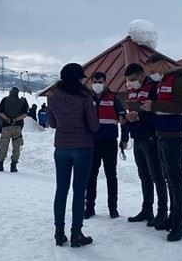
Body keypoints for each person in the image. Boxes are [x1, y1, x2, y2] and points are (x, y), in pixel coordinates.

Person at [48, 63, 99, 247]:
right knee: (79, 191)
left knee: (61, 190)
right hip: (83, 147)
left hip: (61, 147)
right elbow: (94, 126)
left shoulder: (53, 98)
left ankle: (58, 232)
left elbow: (52, 124)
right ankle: (76, 233)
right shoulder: (85, 97)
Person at [140, 52, 182, 241]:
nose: (151, 74)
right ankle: (172, 216)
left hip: (174, 136)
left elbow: (180, 106)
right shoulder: (163, 81)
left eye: (153, 70)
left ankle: (180, 223)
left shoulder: (179, 79)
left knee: (176, 179)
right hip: (161, 134)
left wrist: (153, 105)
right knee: (168, 178)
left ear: (161, 65)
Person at [124, 63, 168, 228]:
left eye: (133, 79)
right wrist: (129, 118)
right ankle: (146, 209)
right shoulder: (134, 91)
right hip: (138, 137)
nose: (131, 83)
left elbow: (156, 112)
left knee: (157, 176)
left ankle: (162, 212)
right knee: (144, 176)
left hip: (151, 137)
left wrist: (140, 116)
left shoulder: (153, 87)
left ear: (142, 75)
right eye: (129, 80)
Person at [84, 71, 129, 219]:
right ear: (91, 83)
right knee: (91, 176)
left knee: (111, 176)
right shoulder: (87, 99)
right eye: (95, 82)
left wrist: (124, 139)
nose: (98, 84)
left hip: (109, 143)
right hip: (92, 143)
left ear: (105, 82)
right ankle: (89, 207)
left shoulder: (113, 98)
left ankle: (113, 208)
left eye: (100, 81)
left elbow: (123, 120)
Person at [0, 87, 29, 172]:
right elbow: (25, 114)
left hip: (6, 127)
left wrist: (7, 119)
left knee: (3, 146)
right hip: (17, 127)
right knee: (16, 147)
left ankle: (0, 165)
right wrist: (16, 119)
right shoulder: (22, 102)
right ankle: (13, 166)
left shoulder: (5, 100)